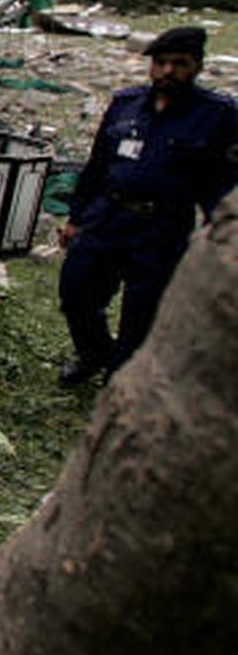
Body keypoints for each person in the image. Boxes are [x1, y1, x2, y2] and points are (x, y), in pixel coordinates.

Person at [57, 25, 236, 386]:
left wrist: (219, 237)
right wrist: (76, 218)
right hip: (107, 217)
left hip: (162, 228)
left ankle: (119, 378)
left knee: (141, 315)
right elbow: (96, 165)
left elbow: (223, 184)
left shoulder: (217, 116)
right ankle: (94, 354)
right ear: (151, 66)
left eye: (180, 63)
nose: (168, 71)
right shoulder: (126, 105)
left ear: (197, 66)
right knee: (76, 292)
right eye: (161, 62)